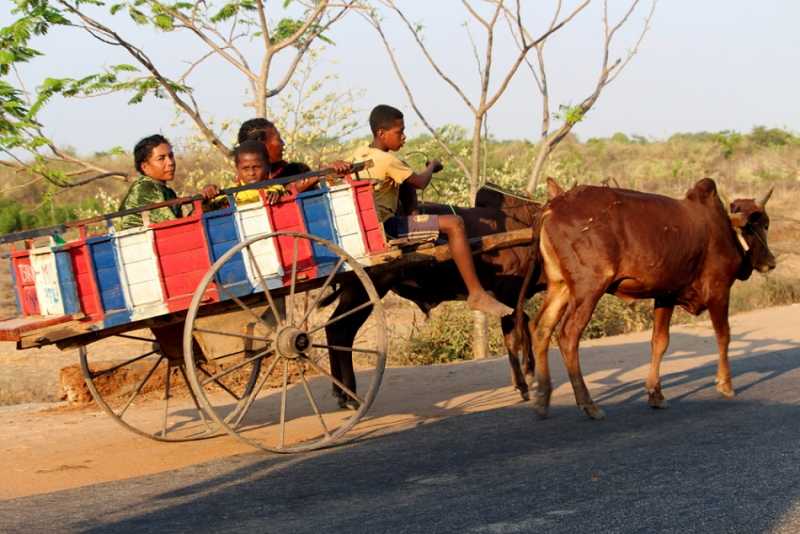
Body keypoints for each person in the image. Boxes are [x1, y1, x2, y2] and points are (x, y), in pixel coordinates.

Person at [352, 105, 514, 317]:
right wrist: (431, 167)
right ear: (381, 133)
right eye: (399, 132)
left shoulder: (359, 154)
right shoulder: (389, 160)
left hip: (367, 225)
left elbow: (407, 185)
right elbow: (419, 182)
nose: (404, 137)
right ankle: (476, 293)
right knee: (455, 223)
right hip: (387, 227)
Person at [119, 134, 219, 229]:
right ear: (145, 167)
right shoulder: (145, 189)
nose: (170, 162)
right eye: (161, 158)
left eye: (171, 156)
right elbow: (177, 228)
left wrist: (204, 202)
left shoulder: (166, 190)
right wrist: (199, 202)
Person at [237, 118, 350, 202]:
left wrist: (330, 172)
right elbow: (290, 189)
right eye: (278, 139)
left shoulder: (296, 170)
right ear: (262, 145)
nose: (282, 144)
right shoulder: (239, 191)